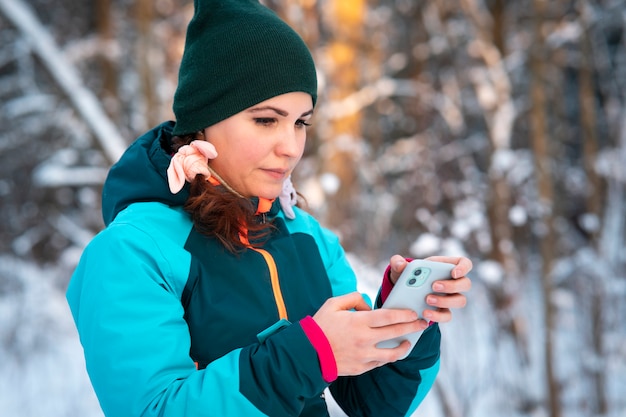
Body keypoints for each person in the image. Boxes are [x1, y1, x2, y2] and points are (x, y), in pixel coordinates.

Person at [66, 1, 472, 416]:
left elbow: (371, 403)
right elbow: (153, 408)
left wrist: (404, 324)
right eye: (266, 120)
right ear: (204, 119)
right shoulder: (132, 251)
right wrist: (310, 354)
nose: (291, 147)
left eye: (301, 122)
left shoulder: (309, 238)